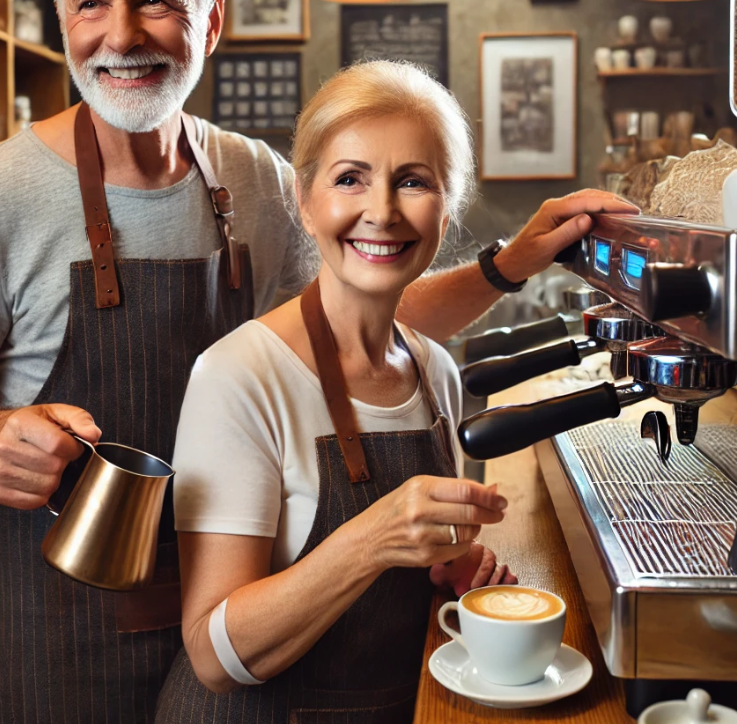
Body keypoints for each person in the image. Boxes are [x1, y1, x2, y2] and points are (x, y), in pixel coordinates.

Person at [0, 0, 636, 724]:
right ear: (64, 15)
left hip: (260, 603)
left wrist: (506, 266)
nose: (120, 34)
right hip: (72, 621)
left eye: (155, 1)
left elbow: (347, 335)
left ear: (211, 21)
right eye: (91, 3)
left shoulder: (254, 177)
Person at [154, 61, 560, 722]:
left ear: (447, 207)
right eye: (350, 179)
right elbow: (212, 656)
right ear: (304, 201)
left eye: (413, 182)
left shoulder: (438, 376)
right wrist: (373, 537)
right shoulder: (239, 375)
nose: (382, 211)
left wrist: (451, 565)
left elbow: (410, 560)